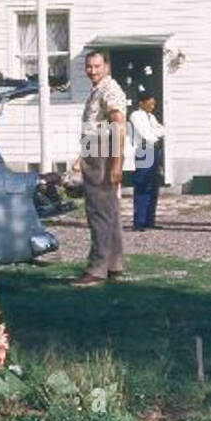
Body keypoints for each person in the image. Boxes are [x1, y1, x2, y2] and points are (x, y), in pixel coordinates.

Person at [72, 50, 127, 287]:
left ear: (106, 67)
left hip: (103, 156)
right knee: (110, 212)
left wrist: (116, 163)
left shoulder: (109, 90)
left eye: (97, 66)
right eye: (89, 66)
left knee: (99, 213)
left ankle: (97, 269)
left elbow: (119, 127)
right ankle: (114, 265)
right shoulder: (98, 90)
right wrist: (80, 157)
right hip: (93, 153)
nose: (92, 71)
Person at [126, 94, 164, 230]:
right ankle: (139, 221)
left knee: (153, 185)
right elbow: (145, 134)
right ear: (142, 103)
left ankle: (150, 219)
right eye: (150, 103)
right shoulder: (136, 116)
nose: (152, 106)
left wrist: (156, 133)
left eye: (154, 103)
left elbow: (161, 130)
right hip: (143, 149)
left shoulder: (151, 117)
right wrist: (155, 134)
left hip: (154, 149)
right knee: (142, 185)